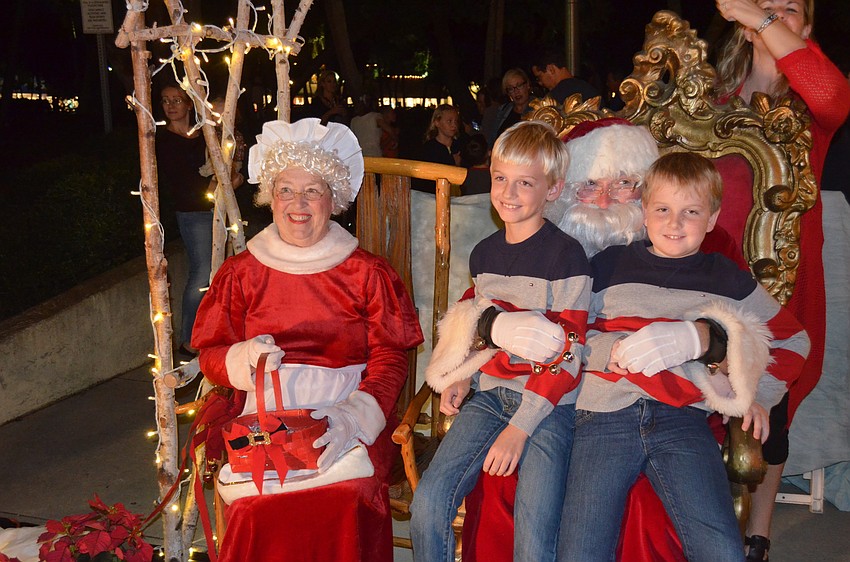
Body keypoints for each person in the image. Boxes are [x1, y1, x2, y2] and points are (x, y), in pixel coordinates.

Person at [191, 118, 424, 562]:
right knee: (256, 507)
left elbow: (391, 360)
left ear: (332, 200)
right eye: (285, 190)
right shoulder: (242, 273)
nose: (298, 204)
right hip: (264, 415)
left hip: (348, 412)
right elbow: (212, 356)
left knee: (345, 497)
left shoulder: (368, 273)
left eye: (312, 191)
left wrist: (351, 419)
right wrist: (242, 357)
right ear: (269, 197)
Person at [558, 152, 810, 562]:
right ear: (644, 212)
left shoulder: (724, 276)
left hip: (682, 420)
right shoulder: (607, 264)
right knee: (579, 550)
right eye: (662, 209)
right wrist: (610, 351)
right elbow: (568, 331)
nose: (674, 224)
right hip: (602, 417)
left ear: (712, 219)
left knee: (723, 550)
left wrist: (759, 394)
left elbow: (793, 339)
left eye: (690, 212)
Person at [410, 121, 591, 562]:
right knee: (427, 506)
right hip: (490, 397)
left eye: (525, 182)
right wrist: (460, 375)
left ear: (552, 189)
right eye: (500, 178)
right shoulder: (485, 253)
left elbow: (569, 352)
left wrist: (520, 427)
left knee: (534, 534)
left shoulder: (567, 255)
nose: (508, 193)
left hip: (547, 408)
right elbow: (478, 323)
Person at [715, 2, 850, 558]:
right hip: (711, 274)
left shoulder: (811, 103)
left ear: (808, 27)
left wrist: (758, 17)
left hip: (784, 276)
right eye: (763, 5)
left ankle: (758, 534)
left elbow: (831, 96)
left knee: (771, 414)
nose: (772, 14)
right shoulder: (714, 97)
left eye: (788, 8)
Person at [155, 83, 212, 357]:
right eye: (166, 101)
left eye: (177, 99)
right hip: (192, 211)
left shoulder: (206, 134)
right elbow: (181, 179)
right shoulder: (162, 140)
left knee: (218, 272)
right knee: (201, 273)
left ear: (189, 104)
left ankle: (211, 332)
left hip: (218, 207)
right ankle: (189, 339)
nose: (171, 105)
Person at [414, 104, 461, 192]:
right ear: (437, 122)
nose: (454, 125)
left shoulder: (460, 145)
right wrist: (451, 162)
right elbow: (426, 180)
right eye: (449, 121)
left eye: (456, 121)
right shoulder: (429, 149)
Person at [532, 51, 600, 107]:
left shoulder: (556, 97)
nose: (540, 83)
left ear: (551, 69)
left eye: (539, 77)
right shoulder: (586, 87)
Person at [489, 69, 538, 146]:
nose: (516, 91)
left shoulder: (539, 108)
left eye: (519, 86)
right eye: (511, 89)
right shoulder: (503, 110)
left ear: (527, 85)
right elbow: (493, 139)